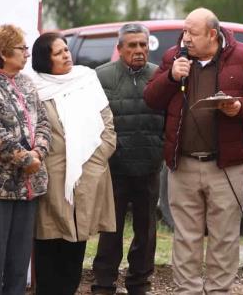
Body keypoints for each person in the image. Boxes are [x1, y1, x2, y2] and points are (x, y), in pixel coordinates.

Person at [143, 8, 243, 294]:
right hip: (183, 164)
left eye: (192, 33)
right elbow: (151, 98)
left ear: (213, 35)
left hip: (226, 166)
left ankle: (218, 291)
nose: (185, 38)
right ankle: (187, 291)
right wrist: (171, 77)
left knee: (224, 237)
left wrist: (239, 107)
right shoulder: (174, 58)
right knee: (186, 238)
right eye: (184, 31)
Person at [0, 24, 52, 295]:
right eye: (22, 48)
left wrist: (39, 151)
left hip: (28, 185)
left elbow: (44, 122)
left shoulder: (26, 82)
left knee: (19, 260)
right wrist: (24, 158)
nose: (27, 53)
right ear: (3, 53)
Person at [30, 32, 117, 295]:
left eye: (66, 50)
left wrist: (97, 158)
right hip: (51, 176)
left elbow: (108, 124)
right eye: (58, 53)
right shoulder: (34, 86)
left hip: (88, 174)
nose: (66, 55)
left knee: (76, 243)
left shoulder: (86, 79)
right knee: (48, 242)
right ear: (45, 60)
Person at [92, 24, 165, 295]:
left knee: (146, 230)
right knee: (110, 228)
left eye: (143, 45)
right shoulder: (101, 76)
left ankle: (139, 282)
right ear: (120, 48)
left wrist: (160, 149)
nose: (138, 50)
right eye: (132, 45)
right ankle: (103, 282)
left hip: (149, 166)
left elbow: (170, 119)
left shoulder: (160, 76)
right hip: (114, 168)